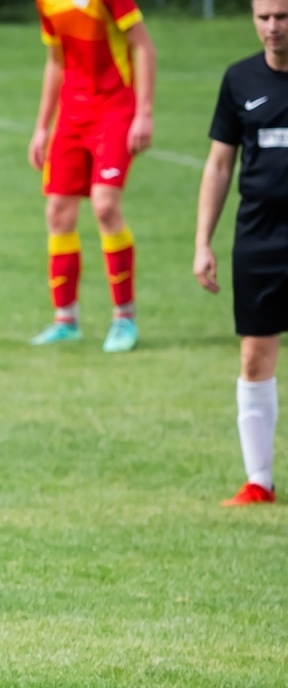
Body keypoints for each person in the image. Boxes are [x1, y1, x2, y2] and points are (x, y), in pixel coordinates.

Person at [195, 0, 288, 507]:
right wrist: (202, 241)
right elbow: (219, 165)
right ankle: (260, 482)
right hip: (260, 235)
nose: (273, 27)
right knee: (255, 356)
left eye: (283, 16)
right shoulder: (239, 80)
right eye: (264, 16)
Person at [26, 0, 156, 353]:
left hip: (115, 110)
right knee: (57, 212)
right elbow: (56, 60)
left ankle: (124, 317)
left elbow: (142, 46)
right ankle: (65, 321)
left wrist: (144, 112)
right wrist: (41, 127)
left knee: (105, 206)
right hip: (72, 114)